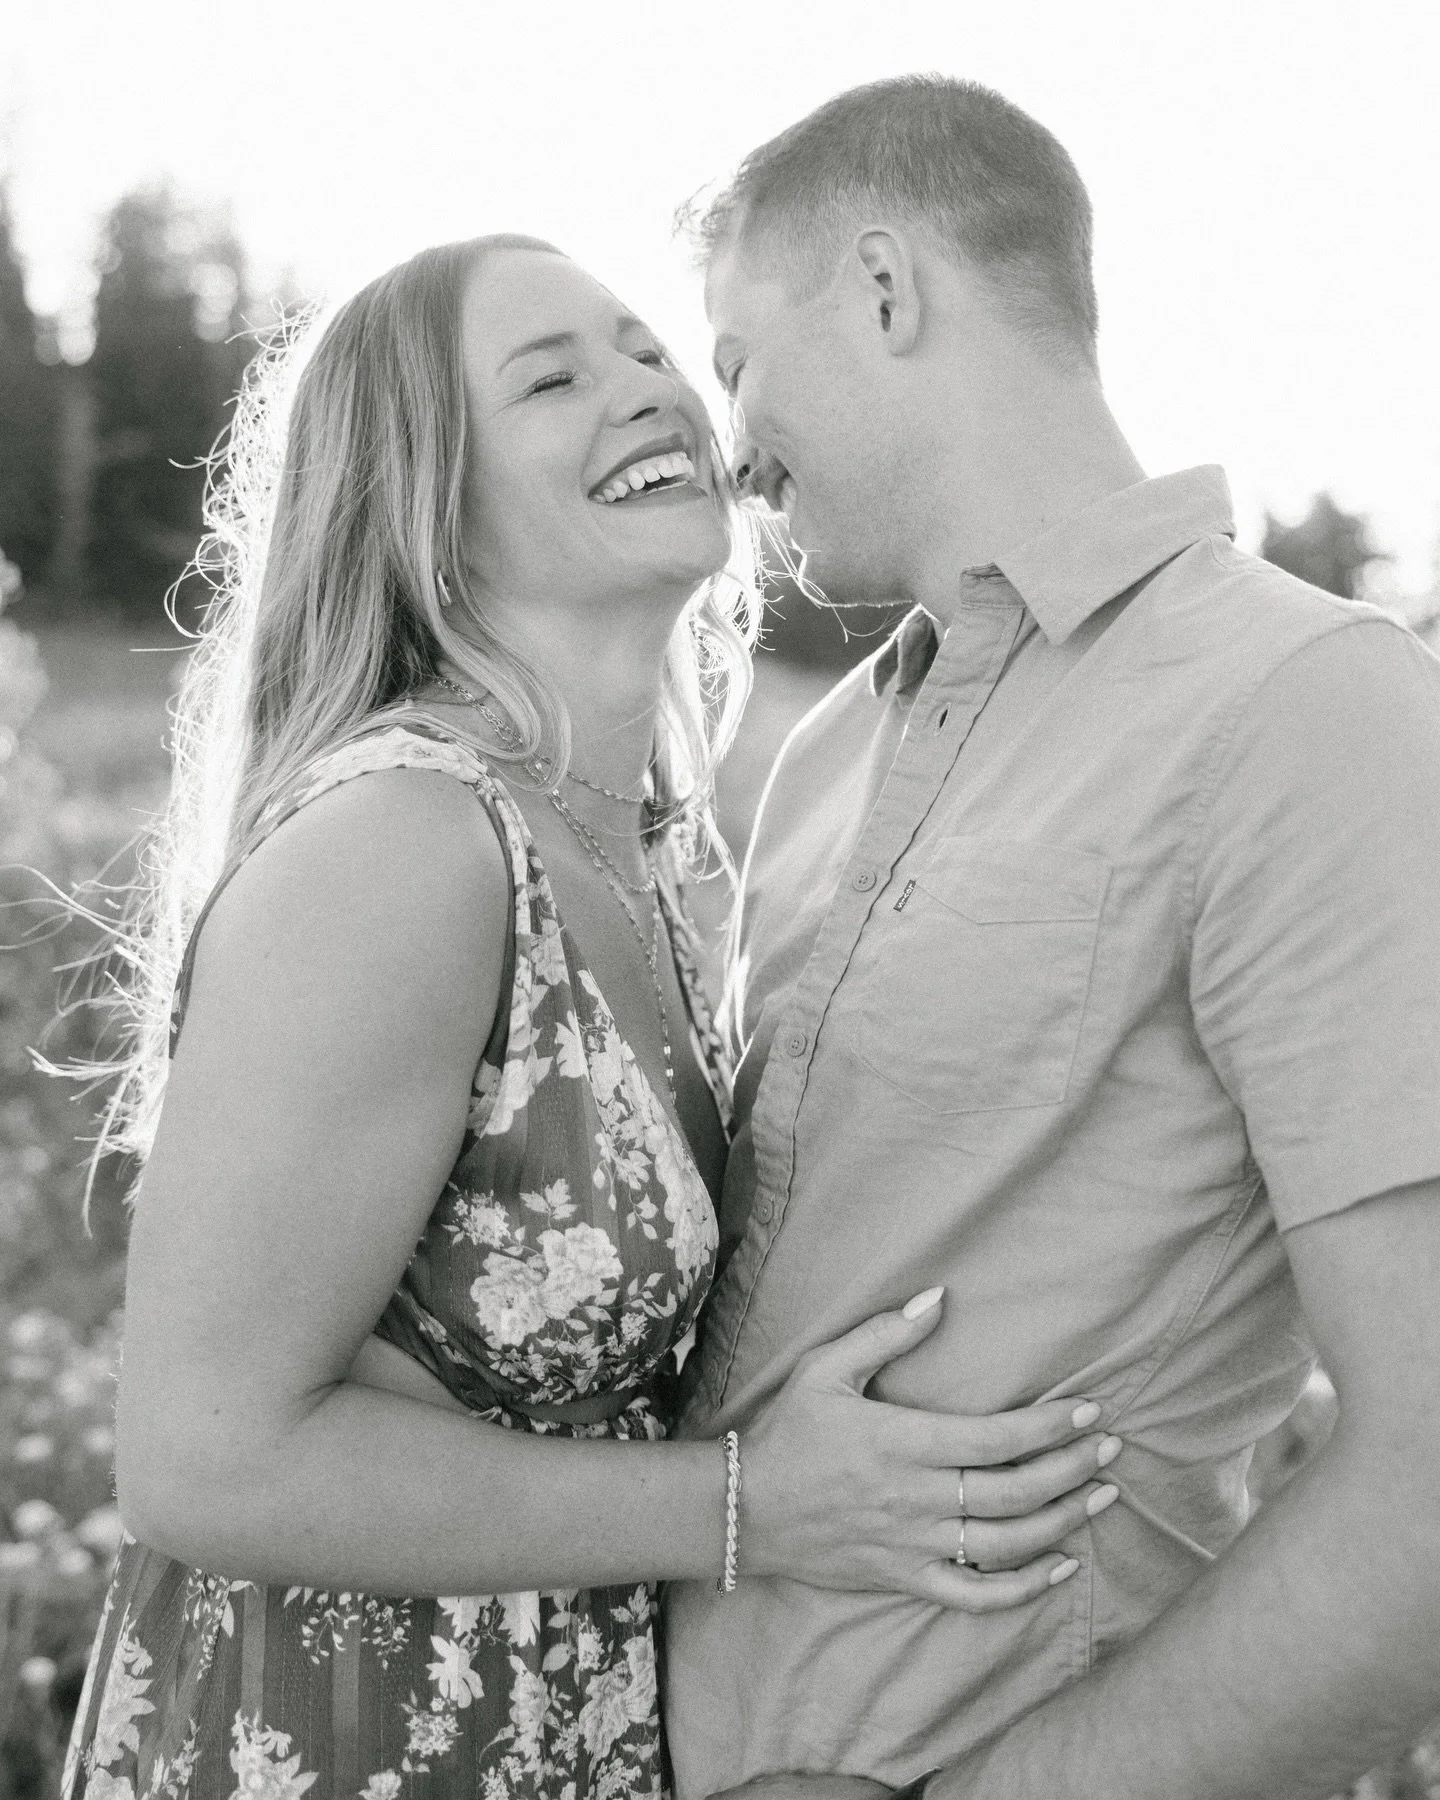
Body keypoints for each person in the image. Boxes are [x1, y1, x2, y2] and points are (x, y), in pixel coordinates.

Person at [62, 234, 1118, 1800]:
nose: (649, 393)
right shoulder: (405, 846)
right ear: (422, 506)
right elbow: (204, 1458)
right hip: (335, 1746)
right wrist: (756, 1504)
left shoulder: (634, 855)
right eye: (553, 378)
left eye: (646, 354)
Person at [663, 75, 1440, 1800]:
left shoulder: (1309, 701)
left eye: (733, 359)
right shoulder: (822, 752)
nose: (733, 445)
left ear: (884, 288)